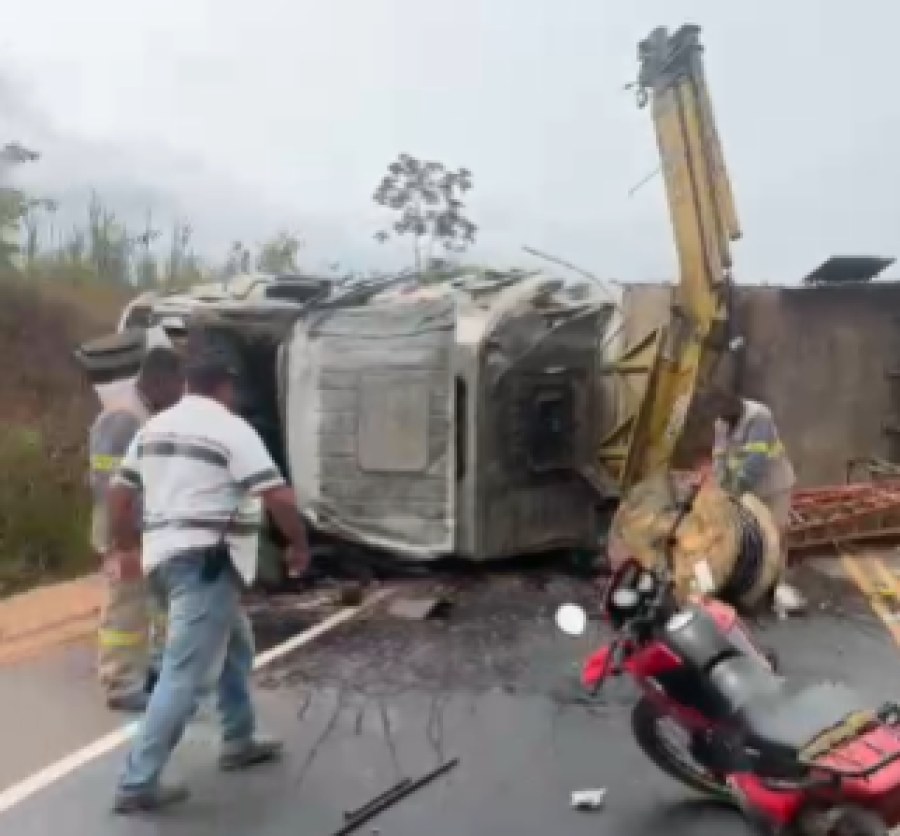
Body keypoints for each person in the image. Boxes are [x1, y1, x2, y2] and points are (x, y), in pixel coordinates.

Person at [107, 353, 311, 814]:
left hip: (166, 561)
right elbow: (276, 493)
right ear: (224, 387)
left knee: (236, 642)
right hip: (206, 567)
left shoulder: (154, 428)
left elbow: (120, 493)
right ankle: (138, 780)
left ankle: (238, 737)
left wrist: (126, 549)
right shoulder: (231, 428)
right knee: (184, 674)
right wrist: (298, 545)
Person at [90, 346, 184, 712]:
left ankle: (147, 671)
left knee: (150, 606)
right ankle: (121, 682)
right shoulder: (123, 418)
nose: (181, 394)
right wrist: (124, 542)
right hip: (123, 532)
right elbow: (108, 485)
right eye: (178, 385)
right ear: (159, 380)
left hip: (145, 531)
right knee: (124, 609)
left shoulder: (144, 412)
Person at [712, 390, 805, 614]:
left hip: (773, 486)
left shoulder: (759, 416)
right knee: (751, 539)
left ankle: (775, 588)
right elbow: (719, 456)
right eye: (722, 417)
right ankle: (754, 583)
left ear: (737, 406)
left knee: (776, 534)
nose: (725, 421)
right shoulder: (722, 422)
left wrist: (735, 491)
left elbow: (756, 460)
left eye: (729, 416)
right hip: (748, 490)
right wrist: (719, 487)